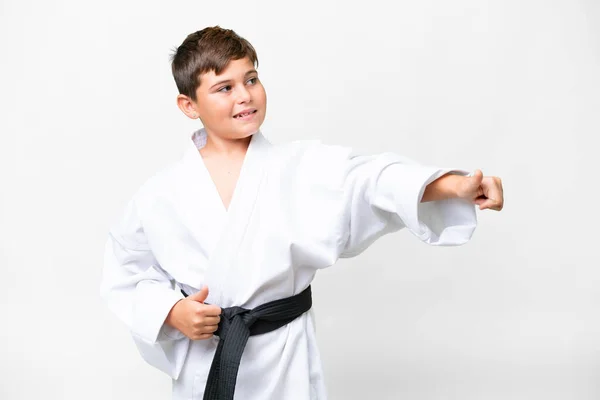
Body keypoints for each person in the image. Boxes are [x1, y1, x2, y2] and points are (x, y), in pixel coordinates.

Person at [100, 26, 504, 400]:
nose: (245, 95)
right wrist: (171, 312)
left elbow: (370, 180)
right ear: (188, 105)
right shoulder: (160, 193)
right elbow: (126, 271)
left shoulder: (302, 167)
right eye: (224, 87)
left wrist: (454, 186)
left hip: (284, 356)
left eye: (252, 79)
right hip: (205, 358)